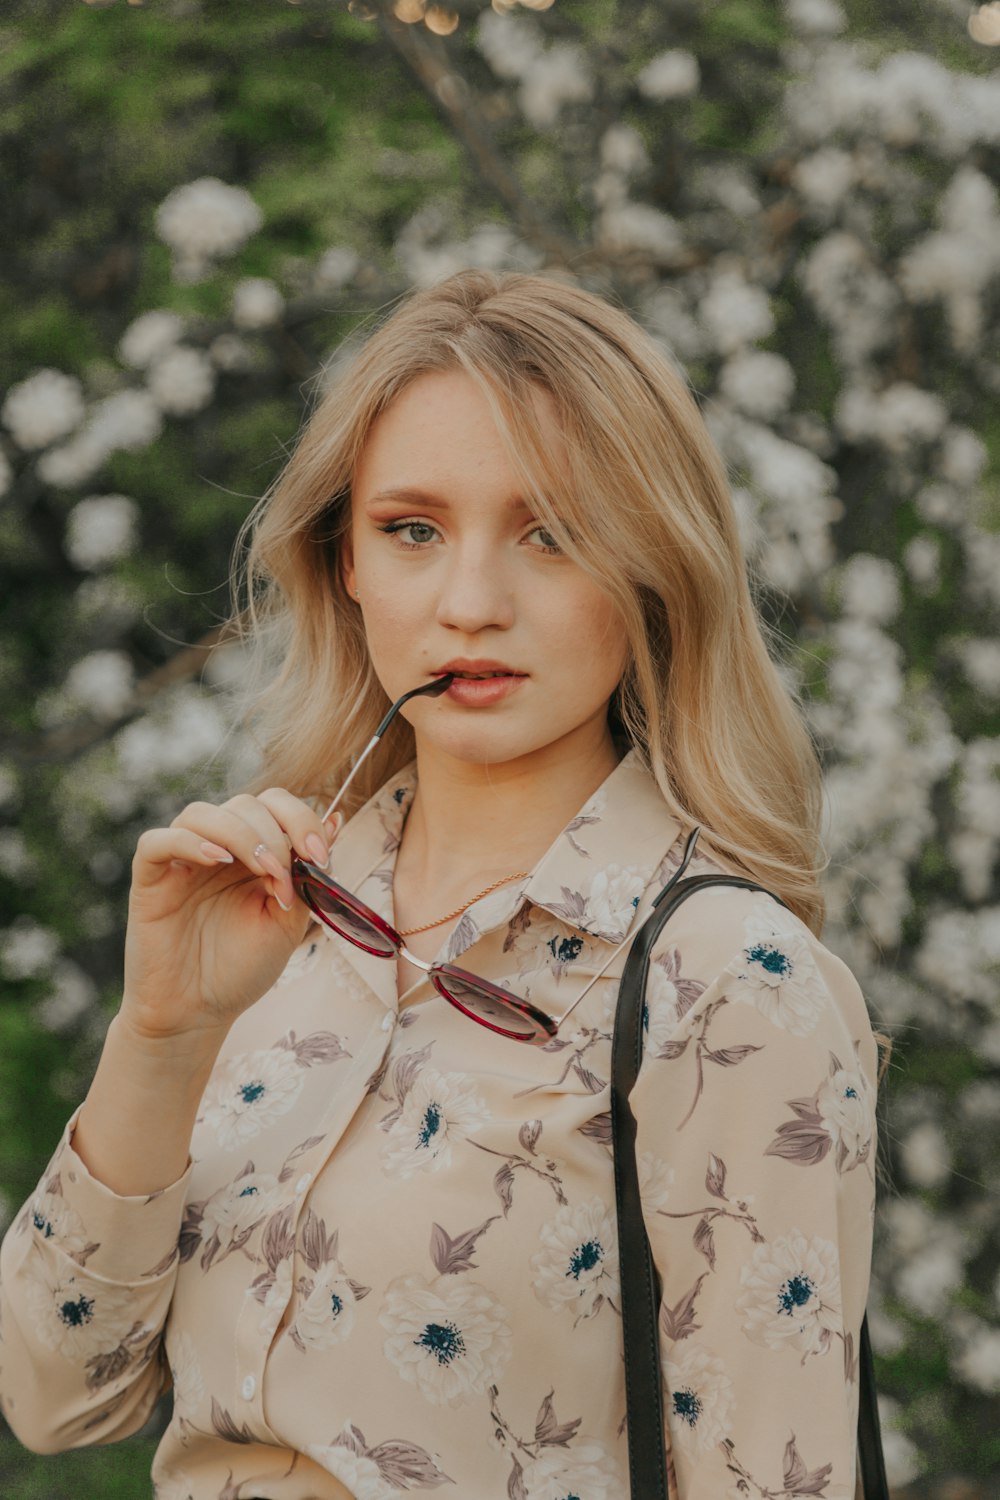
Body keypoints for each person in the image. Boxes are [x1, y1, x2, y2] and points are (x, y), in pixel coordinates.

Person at [0, 269, 889, 1500]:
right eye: (411, 529)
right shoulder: (277, 917)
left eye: (553, 532)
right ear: (344, 561)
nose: (470, 604)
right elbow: (53, 1395)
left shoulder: (727, 987)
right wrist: (163, 1034)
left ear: (651, 570)